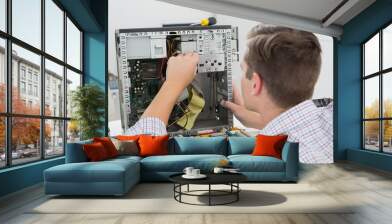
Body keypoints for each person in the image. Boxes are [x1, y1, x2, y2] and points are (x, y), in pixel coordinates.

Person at [125, 25, 333, 164]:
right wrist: (261, 119)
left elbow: (136, 146)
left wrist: (173, 84)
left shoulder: (285, 160)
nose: (239, 77)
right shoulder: (334, 116)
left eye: (243, 70)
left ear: (256, 84)